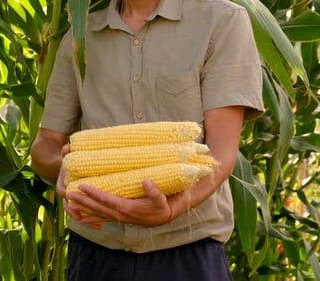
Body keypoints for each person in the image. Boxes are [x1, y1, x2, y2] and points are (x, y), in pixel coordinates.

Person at [30, 0, 264, 280]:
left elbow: (221, 155)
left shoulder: (221, 21)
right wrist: (66, 166)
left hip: (188, 254)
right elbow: (44, 146)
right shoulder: (81, 35)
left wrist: (172, 209)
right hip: (95, 253)